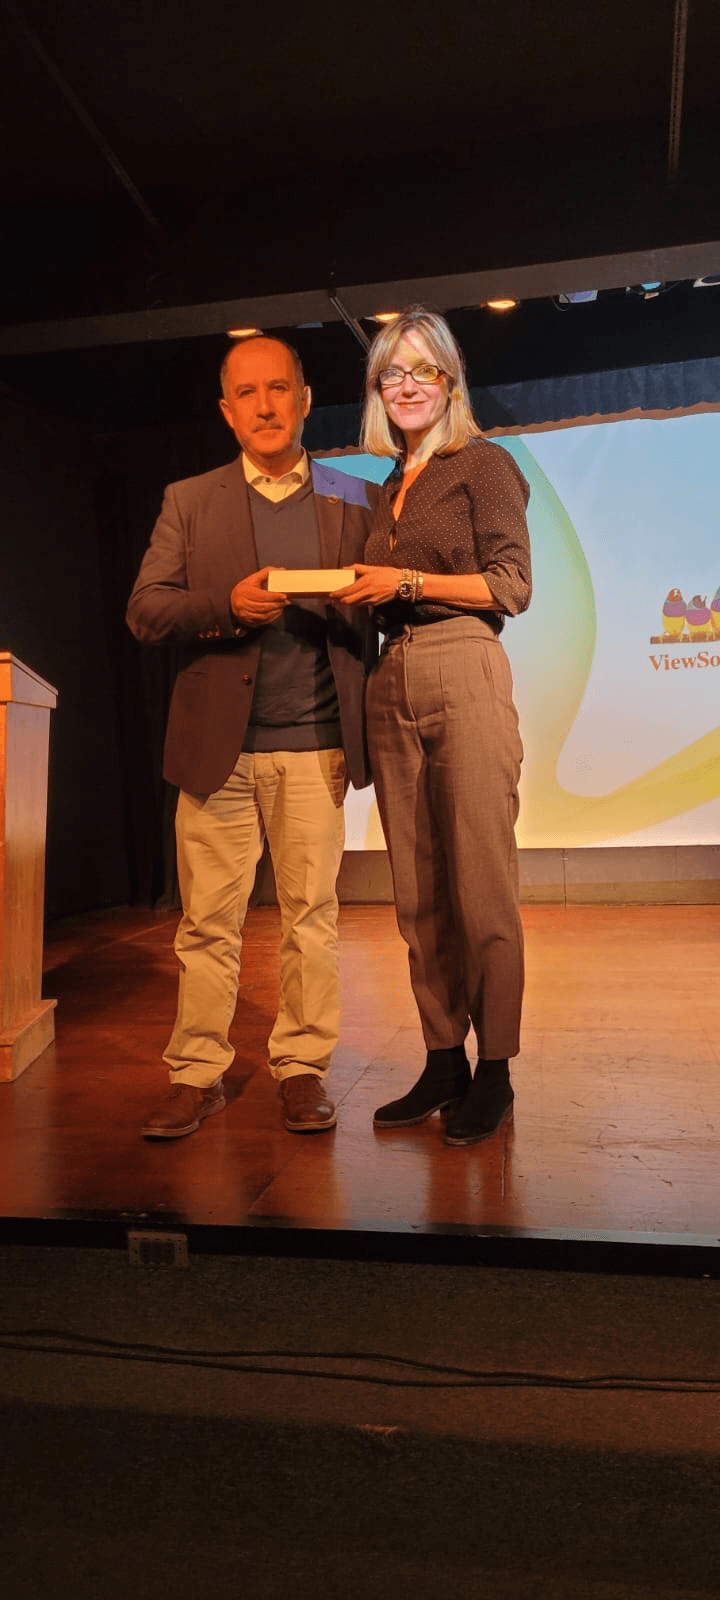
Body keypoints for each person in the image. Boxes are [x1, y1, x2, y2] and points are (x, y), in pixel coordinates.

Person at [126, 335, 377, 1138]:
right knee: (207, 924)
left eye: (279, 389)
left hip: (316, 743)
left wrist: (363, 597)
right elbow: (146, 611)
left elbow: (385, 606)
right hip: (217, 752)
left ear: (305, 400)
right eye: (248, 393)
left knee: (312, 918)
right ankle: (196, 1074)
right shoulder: (189, 500)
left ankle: (302, 1069)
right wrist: (225, 606)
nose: (265, 406)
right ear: (227, 411)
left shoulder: (355, 496)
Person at [337, 306, 531, 1146]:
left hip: (462, 660)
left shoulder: (482, 463)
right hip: (393, 675)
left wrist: (406, 583)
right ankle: (444, 1057)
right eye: (392, 373)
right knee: (416, 895)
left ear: (451, 381)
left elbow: (510, 586)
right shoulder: (390, 484)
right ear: (376, 390)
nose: (408, 385)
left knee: (480, 885)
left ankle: (497, 1071)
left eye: (423, 370)